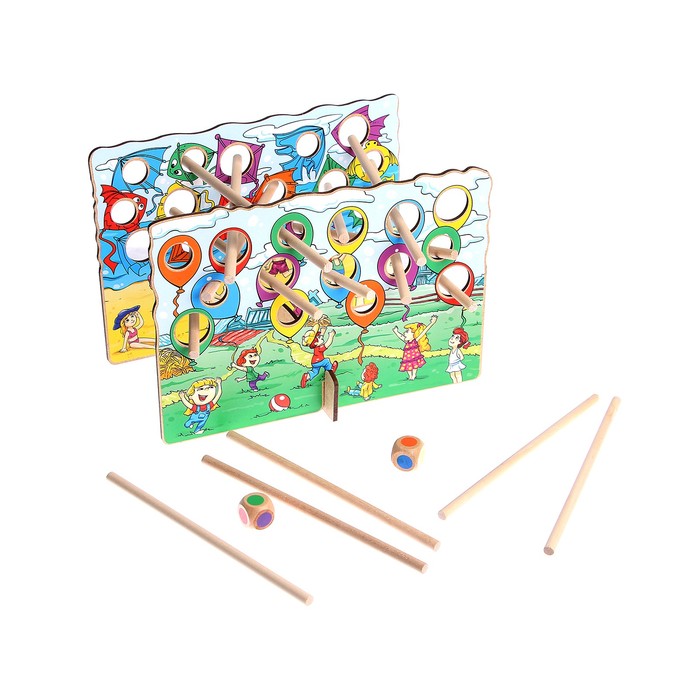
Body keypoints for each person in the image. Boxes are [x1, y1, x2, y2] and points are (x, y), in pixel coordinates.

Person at [393, 314, 438, 380]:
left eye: (407, 332)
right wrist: (396, 332)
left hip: (414, 357)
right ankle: (410, 376)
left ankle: (413, 375)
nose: (404, 333)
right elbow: (401, 336)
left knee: (414, 366)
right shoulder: (407, 342)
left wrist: (432, 322)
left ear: (414, 334)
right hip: (407, 358)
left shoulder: (415, 341)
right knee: (407, 367)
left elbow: (424, 332)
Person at [300, 318, 338, 388]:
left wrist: (323, 330)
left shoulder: (316, 346)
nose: (322, 338)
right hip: (320, 361)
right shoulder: (319, 348)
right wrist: (331, 336)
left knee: (315, 372)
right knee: (327, 361)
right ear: (316, 343)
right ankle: (330, 370)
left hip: (314, 362)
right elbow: (327, 344)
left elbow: (320, 337)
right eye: (320, 338)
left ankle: (307, 376)